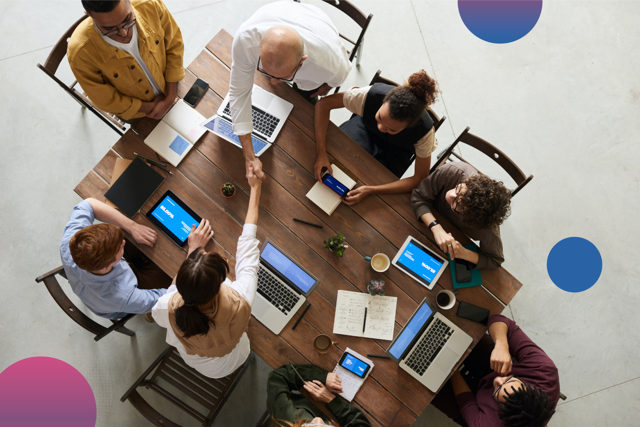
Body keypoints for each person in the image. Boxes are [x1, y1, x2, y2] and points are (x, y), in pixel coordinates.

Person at [152, 166, 263, 378]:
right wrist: (256, 188)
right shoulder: (241, 300)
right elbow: (248, 247)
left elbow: (170, 295)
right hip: (232, 359)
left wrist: (192, 251)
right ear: (220, 284)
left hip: (201, 365)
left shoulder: (167, 306)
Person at [229, 1, 352, 180]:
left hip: (317, 27)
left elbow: (336, 80)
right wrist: (249, 154)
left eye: (281, 77)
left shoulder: (330, 65)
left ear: (302, 61)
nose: (273, 82)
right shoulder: (245, 40)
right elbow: (239, 93)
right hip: (283, 12)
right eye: (265, 71)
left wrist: (325, 88)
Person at [315, 70, 441, 204]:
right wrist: (321, 152)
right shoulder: (368, 95)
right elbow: (323, 104)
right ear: (383, 101)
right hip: (364, 128)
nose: (381, 128)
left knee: (372, 190)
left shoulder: (425, 133)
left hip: (397, 151)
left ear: (410, 126)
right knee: (337, 159)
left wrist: (372, 190)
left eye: (392, 129)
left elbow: (419, 178)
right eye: (380, 118)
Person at [431, 315, 560, 427]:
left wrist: (451, 365)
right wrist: (501, 345)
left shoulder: (488, 424)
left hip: (474, 407)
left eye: (497, 389)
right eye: (509, 379)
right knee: (461, 328)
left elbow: (466, 401)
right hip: (492, 366)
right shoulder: (544, 371)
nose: (497, 379)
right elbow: (498, 319)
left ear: (501, 411)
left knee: (428, 382)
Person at [68, 0, 185, 121]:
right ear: (88, 14)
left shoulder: (150, 4)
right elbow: (104, 99)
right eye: (110, 29)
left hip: (173, 86)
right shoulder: (79, 53)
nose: (124, 33)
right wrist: (151, 108)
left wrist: (170, 97)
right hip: (140, 114)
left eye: (127, 19)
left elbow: (174, 45)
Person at [60, 198, 172, 320]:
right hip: (122, 299)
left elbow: (89, 203)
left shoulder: (72, 242)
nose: (123, 241)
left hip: (97, 285)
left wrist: (133, 227)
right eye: (120, 247)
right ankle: (149, 315)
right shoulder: (123, 297)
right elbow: (168, 299)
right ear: (108, 266)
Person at [411, 162, 512, 269]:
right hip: (421, 220)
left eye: (457, 203)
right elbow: (419, 196)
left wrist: (464, 253)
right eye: (458, 189)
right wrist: (436, 228)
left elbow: (495, 260)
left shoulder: (487, 227)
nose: (451, 194)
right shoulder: (453, 171)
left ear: (469, 218)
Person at [267, 364, 372, 427]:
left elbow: (277, 378)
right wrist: (332, 400)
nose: (318, 420)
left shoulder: (285, 418)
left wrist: (321, 376)